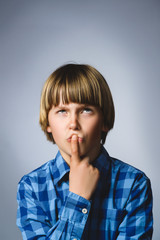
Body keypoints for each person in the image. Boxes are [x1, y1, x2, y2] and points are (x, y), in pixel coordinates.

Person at [16, 63, 153, 239]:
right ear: (48, 123)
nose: (73, 123)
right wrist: (78, 198)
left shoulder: (134, 184)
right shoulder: (32, 186)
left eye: (86, 110)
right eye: (62, 111)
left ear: (104, 120)